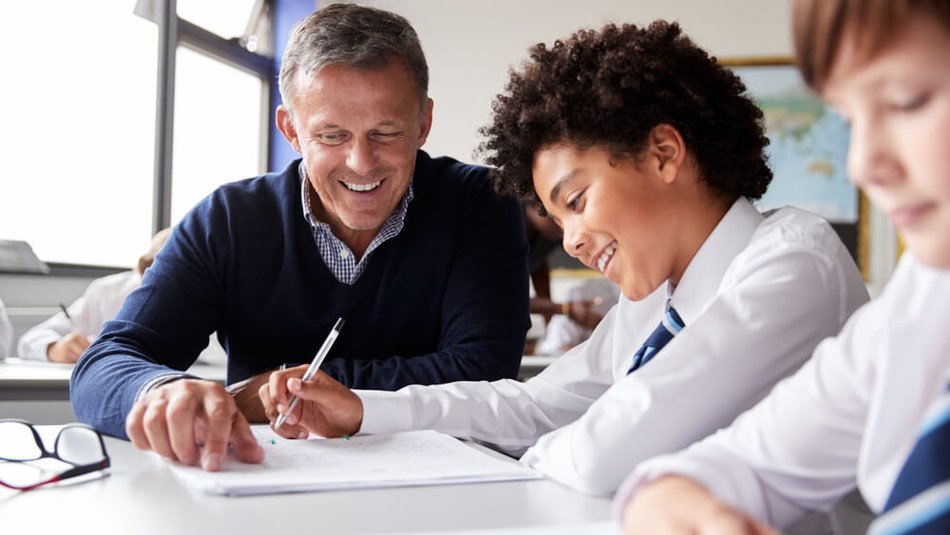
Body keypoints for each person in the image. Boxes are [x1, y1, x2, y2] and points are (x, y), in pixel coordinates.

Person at [255, 21, 870, 496]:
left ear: (663, 153)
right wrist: (368, 409)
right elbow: (537, 404)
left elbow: (611, 449)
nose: (571, 239)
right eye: (559, 216)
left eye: (577, 200)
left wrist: (517, 459)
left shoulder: (792, 263)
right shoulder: (657, 300)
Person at [70, 3, 529, 472]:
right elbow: (105, 364)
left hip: (445, 486)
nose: (362, 163)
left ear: (423, 124)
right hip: (266, 484)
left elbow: (483, 374)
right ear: (291, 129)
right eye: (331, 136)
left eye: (386, 132)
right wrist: (162, 393)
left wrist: (272, 391)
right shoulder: (228, 220)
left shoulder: (481, 204)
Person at [617, 1, 950, 533]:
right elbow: (735, 465)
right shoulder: (921, 305)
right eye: (848, 120)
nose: (862, 164)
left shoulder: (793, 258)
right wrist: (678, 502)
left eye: (906, 101)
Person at [17, 229, 225, 364]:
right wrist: (55, 348)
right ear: (145, 266)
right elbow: (31, 339)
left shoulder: (217, 296)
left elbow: (225, 358)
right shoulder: (108, 290)